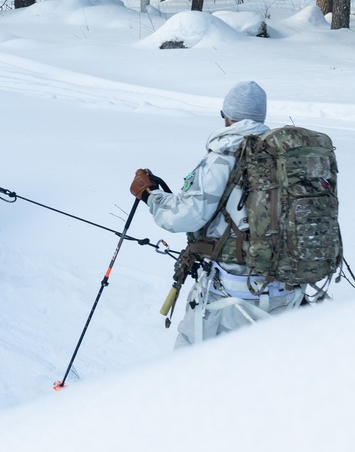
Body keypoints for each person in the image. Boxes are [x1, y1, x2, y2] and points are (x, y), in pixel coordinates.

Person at [130, 81, 304, 348]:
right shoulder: (286, 156)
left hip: (231, 298)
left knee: (189, 368)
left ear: (229, 117)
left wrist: (149, 195)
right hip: (287, 294)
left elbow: (184, 216)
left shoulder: (224, 155)